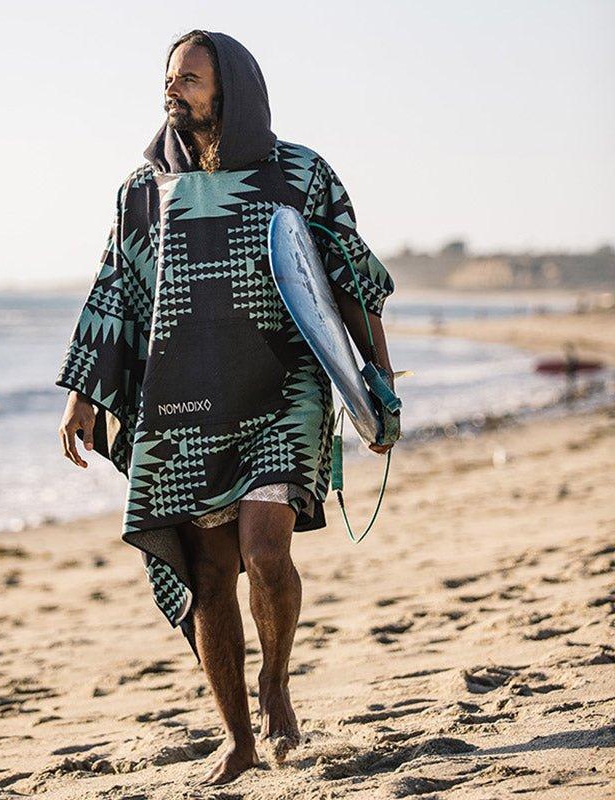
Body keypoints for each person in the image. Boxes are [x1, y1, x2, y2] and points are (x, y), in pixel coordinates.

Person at [57, 29, 398, 785]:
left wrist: (375, 380)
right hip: (184, 397)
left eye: (190, 80)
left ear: (230, 89)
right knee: (211, 577)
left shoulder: (299, 173)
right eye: (169, 79)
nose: (173, 91)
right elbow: (116, 290)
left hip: (283, 386)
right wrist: (83, 394)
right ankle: (238, 738)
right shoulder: (143, 190)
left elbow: (348, 279)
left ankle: (276, 680)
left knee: (266, 552)